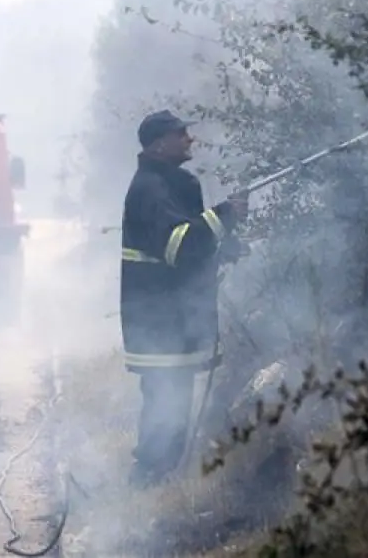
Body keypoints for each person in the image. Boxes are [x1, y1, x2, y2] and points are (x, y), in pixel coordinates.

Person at [120, 109, 250, 488]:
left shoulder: (167, 183)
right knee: (165, 404)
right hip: (160, 322)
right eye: (182, 134)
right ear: (160, 143)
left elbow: (188, 251)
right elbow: (180, 244)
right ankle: (146, 481)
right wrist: (223, 215)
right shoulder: (150, 189)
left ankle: (158, 480)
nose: (189, 140)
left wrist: (223, 248)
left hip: (169, 320)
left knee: (173, 403)